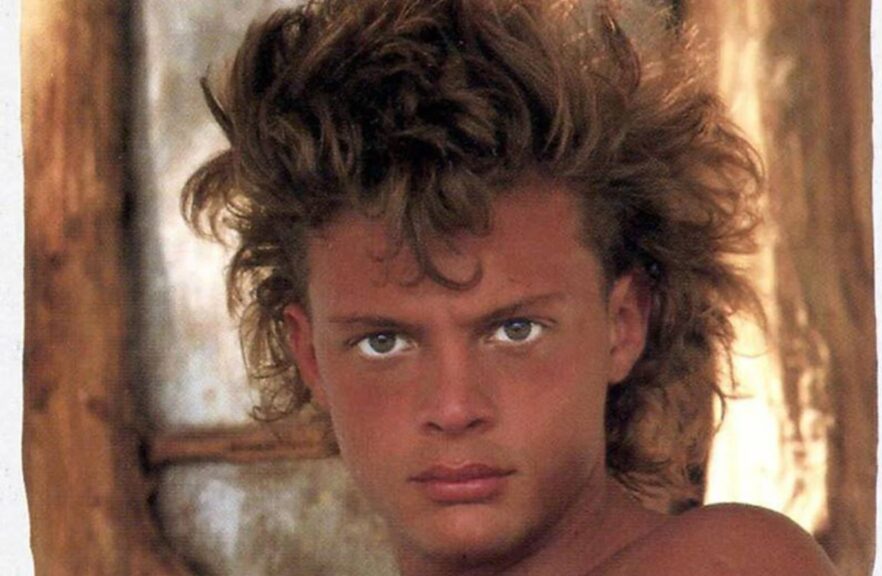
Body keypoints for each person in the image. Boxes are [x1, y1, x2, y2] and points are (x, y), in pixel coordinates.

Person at [182, 0, 838, 574]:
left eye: (514, 331)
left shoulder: (735, 561)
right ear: (309, 356)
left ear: (623, 325)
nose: (454, 407)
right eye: (384, 342)